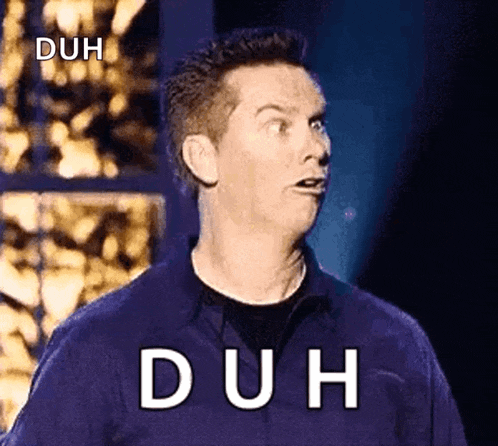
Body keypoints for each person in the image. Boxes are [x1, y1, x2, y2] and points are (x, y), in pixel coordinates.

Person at [1, 28, 467, 445]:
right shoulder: (103, 345)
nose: (317, 148)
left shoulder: (392, 345)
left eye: (317, 124)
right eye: (278, 125)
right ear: (203, 158)